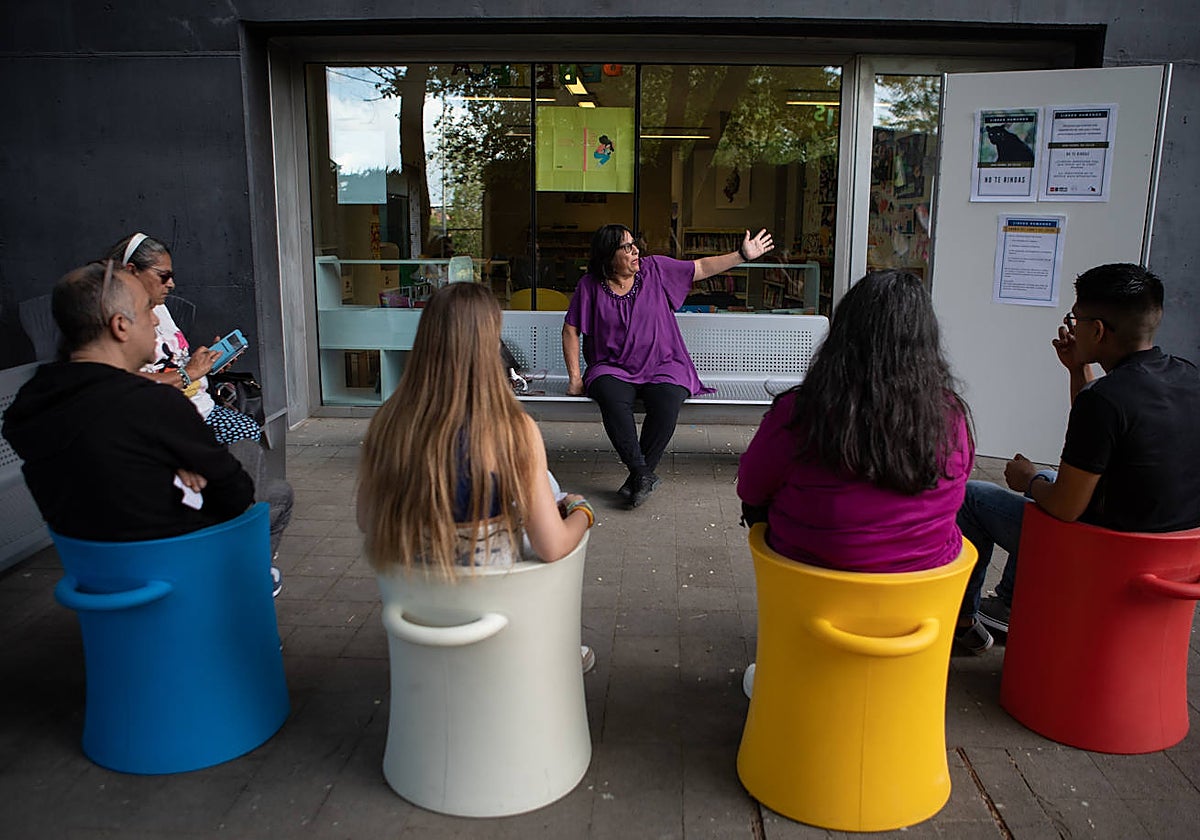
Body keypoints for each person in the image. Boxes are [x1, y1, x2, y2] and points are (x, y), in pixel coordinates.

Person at [958, 263, 1200, 650]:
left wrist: (1027, 478)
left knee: (974, 497)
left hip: (1105, 555)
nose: (1071, 326)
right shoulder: (1187, 375)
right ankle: (1006, 607)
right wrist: (1078, 371)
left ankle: (966, 623)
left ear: (1098, 330)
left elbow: (1066, 508)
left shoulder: (1106, 399)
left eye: (1076, 318)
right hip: (1173, 556)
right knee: (1053, 480)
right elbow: (1101, 442)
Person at [356, 282, 597, 671]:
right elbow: (552, 547)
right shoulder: (513, 432)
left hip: (420, 619)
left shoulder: (388, 425)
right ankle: (563, 652)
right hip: (498, 625)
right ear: (490, 347)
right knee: (552, 512)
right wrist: (583, 512)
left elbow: (367, 521)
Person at [2, 260, 267, 546]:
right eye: (146, 310)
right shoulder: (154, 403)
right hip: (182, 560)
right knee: (274, 495)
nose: (155, 321)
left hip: (89, 565)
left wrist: (163, 461)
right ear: (120, 326)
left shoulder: (30, 405)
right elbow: (235, 494)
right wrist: (175, 463)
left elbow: (103, 457)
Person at [563, 224, 774, 508]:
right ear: (607, 256)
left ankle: (639, 476)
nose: (635, 250)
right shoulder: (590, 285)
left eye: (634, 243)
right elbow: (571, 328)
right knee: (610, 396)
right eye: (626, 247)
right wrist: (575, 377)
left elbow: (700, 267)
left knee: (667, 400)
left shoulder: (655, 269)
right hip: (611, 365)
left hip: (663, 362)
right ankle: (642, 473)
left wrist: (741, 255)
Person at [106, 232, 261, 446]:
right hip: (163, 418)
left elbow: (173, 363)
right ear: (132, 271)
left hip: (197, 407)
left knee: (247, 434)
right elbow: (125, 382)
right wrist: (188, 373)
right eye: (163, 275)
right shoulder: (116, 318)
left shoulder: (160, 308)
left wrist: (205, 363)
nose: (171, 284)